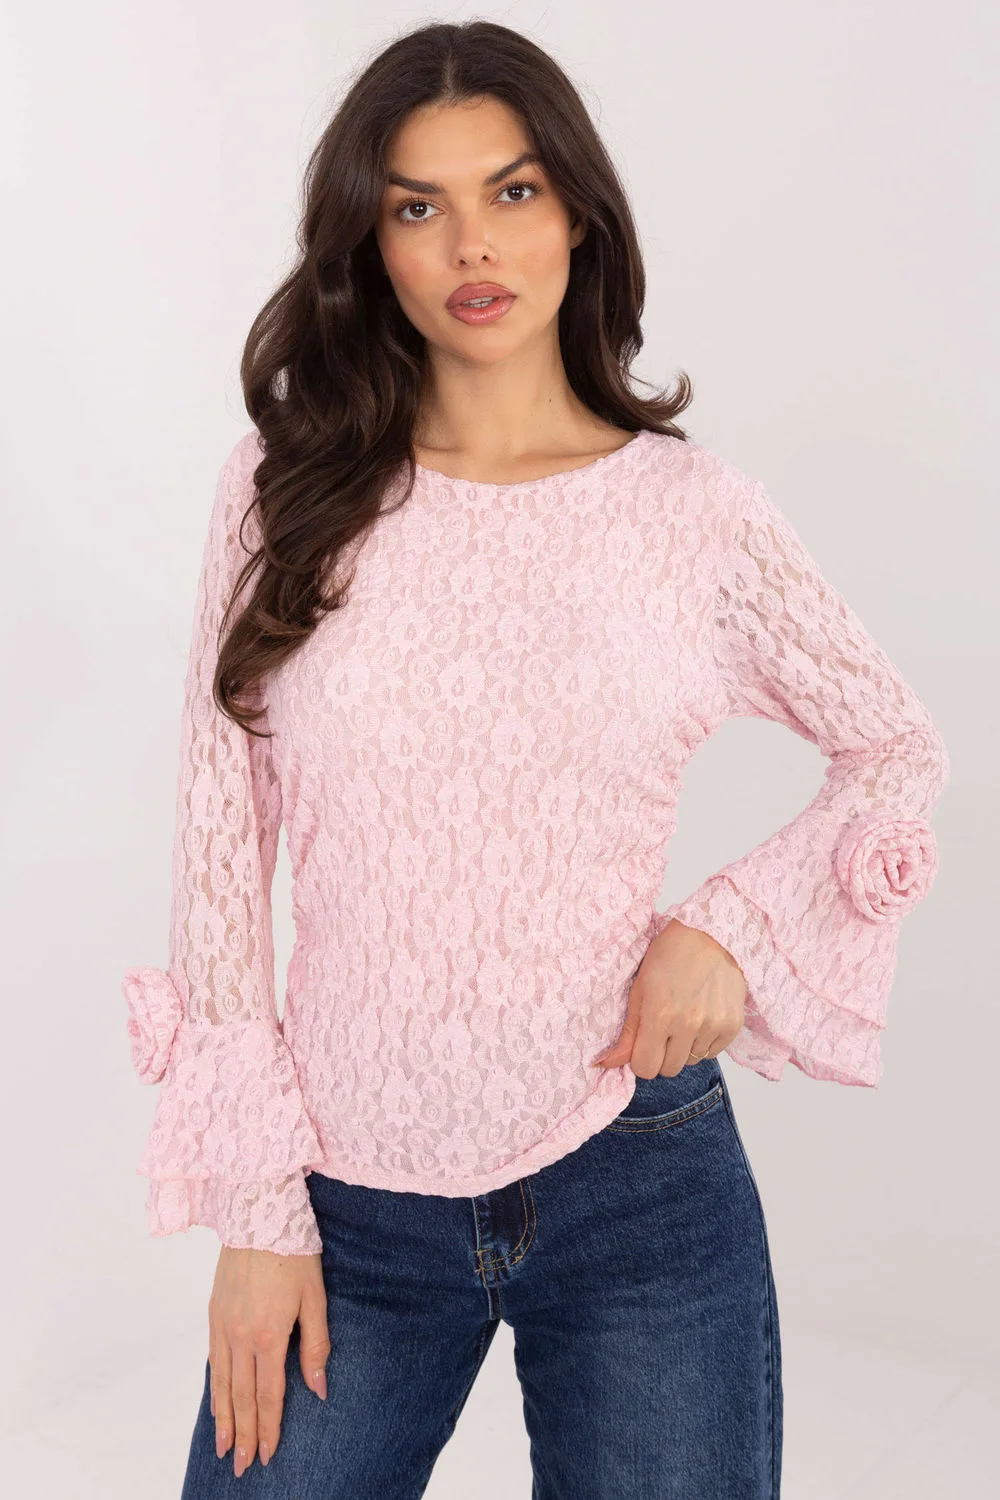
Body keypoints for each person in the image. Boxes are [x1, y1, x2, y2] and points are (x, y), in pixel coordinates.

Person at [121, 20, 949, 1499]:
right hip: (342, 1199)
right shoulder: (289, 493)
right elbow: (217, 839)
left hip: (637, 1179)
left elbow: (895, 747)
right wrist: (256, 1208)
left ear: (577, 211)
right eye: (416, 206)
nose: (472, 246)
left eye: (511, 191)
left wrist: (730, 931)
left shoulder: (693, 520)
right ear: (370, 244)